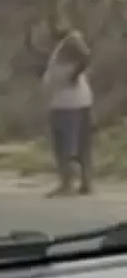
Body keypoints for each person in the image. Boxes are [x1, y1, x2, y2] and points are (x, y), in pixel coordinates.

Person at [41, 28, 94, 196]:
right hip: (81, 102)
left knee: (65, 146)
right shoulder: (62, 52)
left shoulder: (68, 45)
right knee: (82, 146)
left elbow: (84, 53)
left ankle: (67, 184)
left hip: (65, 105)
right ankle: (86, 183)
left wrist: (73, 74)